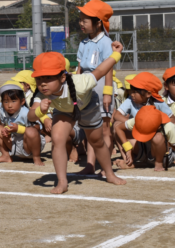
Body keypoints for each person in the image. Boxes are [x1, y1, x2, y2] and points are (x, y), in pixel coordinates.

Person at [28, 45, 126, 194]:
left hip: (87, 106)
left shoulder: (81, 83)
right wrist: (39, 110)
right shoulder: (42, 94)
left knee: (97, 142)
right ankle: (62, 182)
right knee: (57, 138)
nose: (42, 83)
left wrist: (117, 54)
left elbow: (100, 70)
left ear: (62, 77)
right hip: (63, 110)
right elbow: (30, 116)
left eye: (48, 77)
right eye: (39, 78)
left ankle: (110, 174)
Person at [75, 0, 115, 175]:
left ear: (98, 22)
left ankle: (107, 167)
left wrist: (107, 93)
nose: (81, 23)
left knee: (105, 129)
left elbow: (108, 68)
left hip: (100, 86)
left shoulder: (106, 42)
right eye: (81, 19)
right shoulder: (83, 43)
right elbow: (79, 68)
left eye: (85, 20)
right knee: (91, 128)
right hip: (85, 85)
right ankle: (90, 165)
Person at [112, 72, 175, 169]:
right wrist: (137, 124)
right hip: (138, 138)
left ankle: (162, 158)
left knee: (163, 134)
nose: (131, 94)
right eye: (131, 91)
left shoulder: (158, 102)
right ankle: (128, 159)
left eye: (135, 91)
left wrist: (156, 125)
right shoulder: (130, 100)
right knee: (117, 126)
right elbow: (117, 115)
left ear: (148, 94)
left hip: (154, 141)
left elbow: (172, 118)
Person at [0, 80, 45, 165]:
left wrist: (19, 129)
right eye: (6, 101)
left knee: (31, 131)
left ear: (22, 101)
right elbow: (2, 125)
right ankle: (6, 156)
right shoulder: (2, 112)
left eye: (13, 101)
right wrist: (5, 130)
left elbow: (38, 128)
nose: (9, 105)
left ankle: (37, 158)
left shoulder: (25, 113)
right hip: (15, 145)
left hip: (30, 147)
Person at [124, 106, 175, 171]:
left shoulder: (169, 128)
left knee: (158, 137)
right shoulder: (141, 120)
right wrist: (128, 149)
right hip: (146, 150)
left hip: (164, 156)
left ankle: (158, 162)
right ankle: (128, 160)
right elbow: (118, 127)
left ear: (159, 127)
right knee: (123, 135)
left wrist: (163, 144)